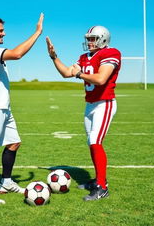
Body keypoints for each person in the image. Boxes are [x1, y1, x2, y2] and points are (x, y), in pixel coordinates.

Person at [0, 13, 44, 205]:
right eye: (1, 30)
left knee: (14, 143)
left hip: (3, 107)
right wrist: (37, 33)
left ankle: (5, 183)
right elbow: (17, 54)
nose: (4, 33)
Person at [46, 26, 121, 201]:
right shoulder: (84, 57)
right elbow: (66, 73)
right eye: (88, 38)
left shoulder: (111, 53)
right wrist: (54, 57)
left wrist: (79, 73)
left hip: (105, 103)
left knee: (96, 141)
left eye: (93, 38)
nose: (89, 42)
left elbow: (101, 79)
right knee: (91, 142)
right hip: (90, 104)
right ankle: (98, 180)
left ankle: (102, 187)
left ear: (103, 39)